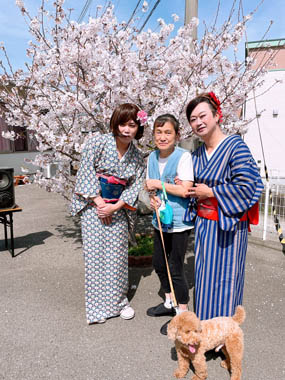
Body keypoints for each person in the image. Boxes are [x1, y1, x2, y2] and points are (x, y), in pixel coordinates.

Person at [183, 92, 264, 321]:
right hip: (204, 225)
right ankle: (207, 331)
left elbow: (249, 185)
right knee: (205, 277)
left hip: (229, 224)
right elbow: (191, 188)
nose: (198, 122)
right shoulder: (197, 153)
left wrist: (210, 192)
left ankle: (225, 336)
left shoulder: (235, 146)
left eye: (203, 116)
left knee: (227, 279)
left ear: (217, 115)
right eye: (193, 119)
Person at [70, 103, 146, 324]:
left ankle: (118, 303)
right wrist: (99, 202)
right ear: (115, 123)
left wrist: (114, 206)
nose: (126, 129)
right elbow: (85, 171)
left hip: (118, 210)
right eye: (122, 123)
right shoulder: (97, 142)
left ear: (138, 128)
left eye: (132, 125)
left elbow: (135, 184)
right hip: (93, 208)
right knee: (95, 257)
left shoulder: (136, 156)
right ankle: (97, 309)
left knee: (117, 258)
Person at [145, 114, 194, 335]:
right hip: (159, 220)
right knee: (158, 263)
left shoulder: (184, 157)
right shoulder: (152, 157)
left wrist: (157, 183)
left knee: (175, 267)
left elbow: (185, 189)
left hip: (178, 222)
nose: (162, 137)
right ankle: (168, 301)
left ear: (177, 135)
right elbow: (150, 187)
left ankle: (182, 314)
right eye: (158, 131)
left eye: (168, 132)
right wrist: (152, 196)